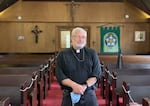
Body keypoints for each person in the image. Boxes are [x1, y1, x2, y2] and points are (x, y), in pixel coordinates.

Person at [55, 27, 101, 106]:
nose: (81, 39)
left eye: (83, 37)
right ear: (72, 38)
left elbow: (96, 74)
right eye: (78, 36)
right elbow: (60, 75)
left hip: (88, 93)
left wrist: (84, 86)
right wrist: (74, 86)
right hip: (69, 93)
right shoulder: (63, 54)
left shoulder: (92, 53)